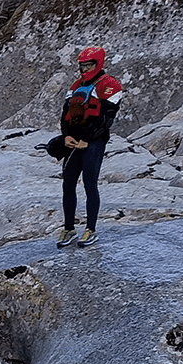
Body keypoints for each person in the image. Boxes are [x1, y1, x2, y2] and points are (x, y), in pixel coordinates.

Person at [58, 46, 125, 247]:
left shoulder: (110, 85)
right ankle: (69, 228)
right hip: (74, 140)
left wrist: (87, 139)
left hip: (94, 141)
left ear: (98, 63)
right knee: (68, 183)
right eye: (83, 65)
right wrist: (67, 136)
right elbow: (65, 113)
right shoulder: (76, 85)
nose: (85, 69)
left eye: (89, 65)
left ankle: (91, 229)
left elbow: (106, 118)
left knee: (89, 183)